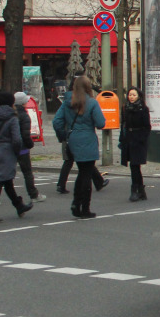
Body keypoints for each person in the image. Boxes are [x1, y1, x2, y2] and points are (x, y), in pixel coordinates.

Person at [52, 75, 105, 219]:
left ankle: (76, 203)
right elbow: (101, 123)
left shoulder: (67, 102)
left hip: (73, 139)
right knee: (86, 174)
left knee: (82, 173)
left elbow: (56, 122)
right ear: (88, 87)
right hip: (88, 138)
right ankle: (84, 207)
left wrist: (64, 135)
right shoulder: (92, 103)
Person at [0, 92, 31, 223]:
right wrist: (15, 152)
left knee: (6, 179)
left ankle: (19, 205)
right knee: (0, 179)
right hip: (8, 151)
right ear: (11, 103)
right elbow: (16, 139)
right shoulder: (12, 118)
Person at [119, 87, 151, 201]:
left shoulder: (143, 109)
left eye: (134, 95)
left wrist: (141, 139)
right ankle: (141, 191)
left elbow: (147, 127)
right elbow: (123, 124)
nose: (131, 97)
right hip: (128, 139)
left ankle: (135, 190)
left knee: (135, 166)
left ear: (138, 96)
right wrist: (122, 139)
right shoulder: (125, 108)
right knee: (134, 166)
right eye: (130, 95)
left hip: (138, 141)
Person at [13, 92, 43, 202]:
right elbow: (25, 134)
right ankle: (33, 194)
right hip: (22, 148)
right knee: (27, 172)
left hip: (11, 147)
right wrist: (30, 143)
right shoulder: (24, 115)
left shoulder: (11, 113)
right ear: (23, 103)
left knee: (6, 172)